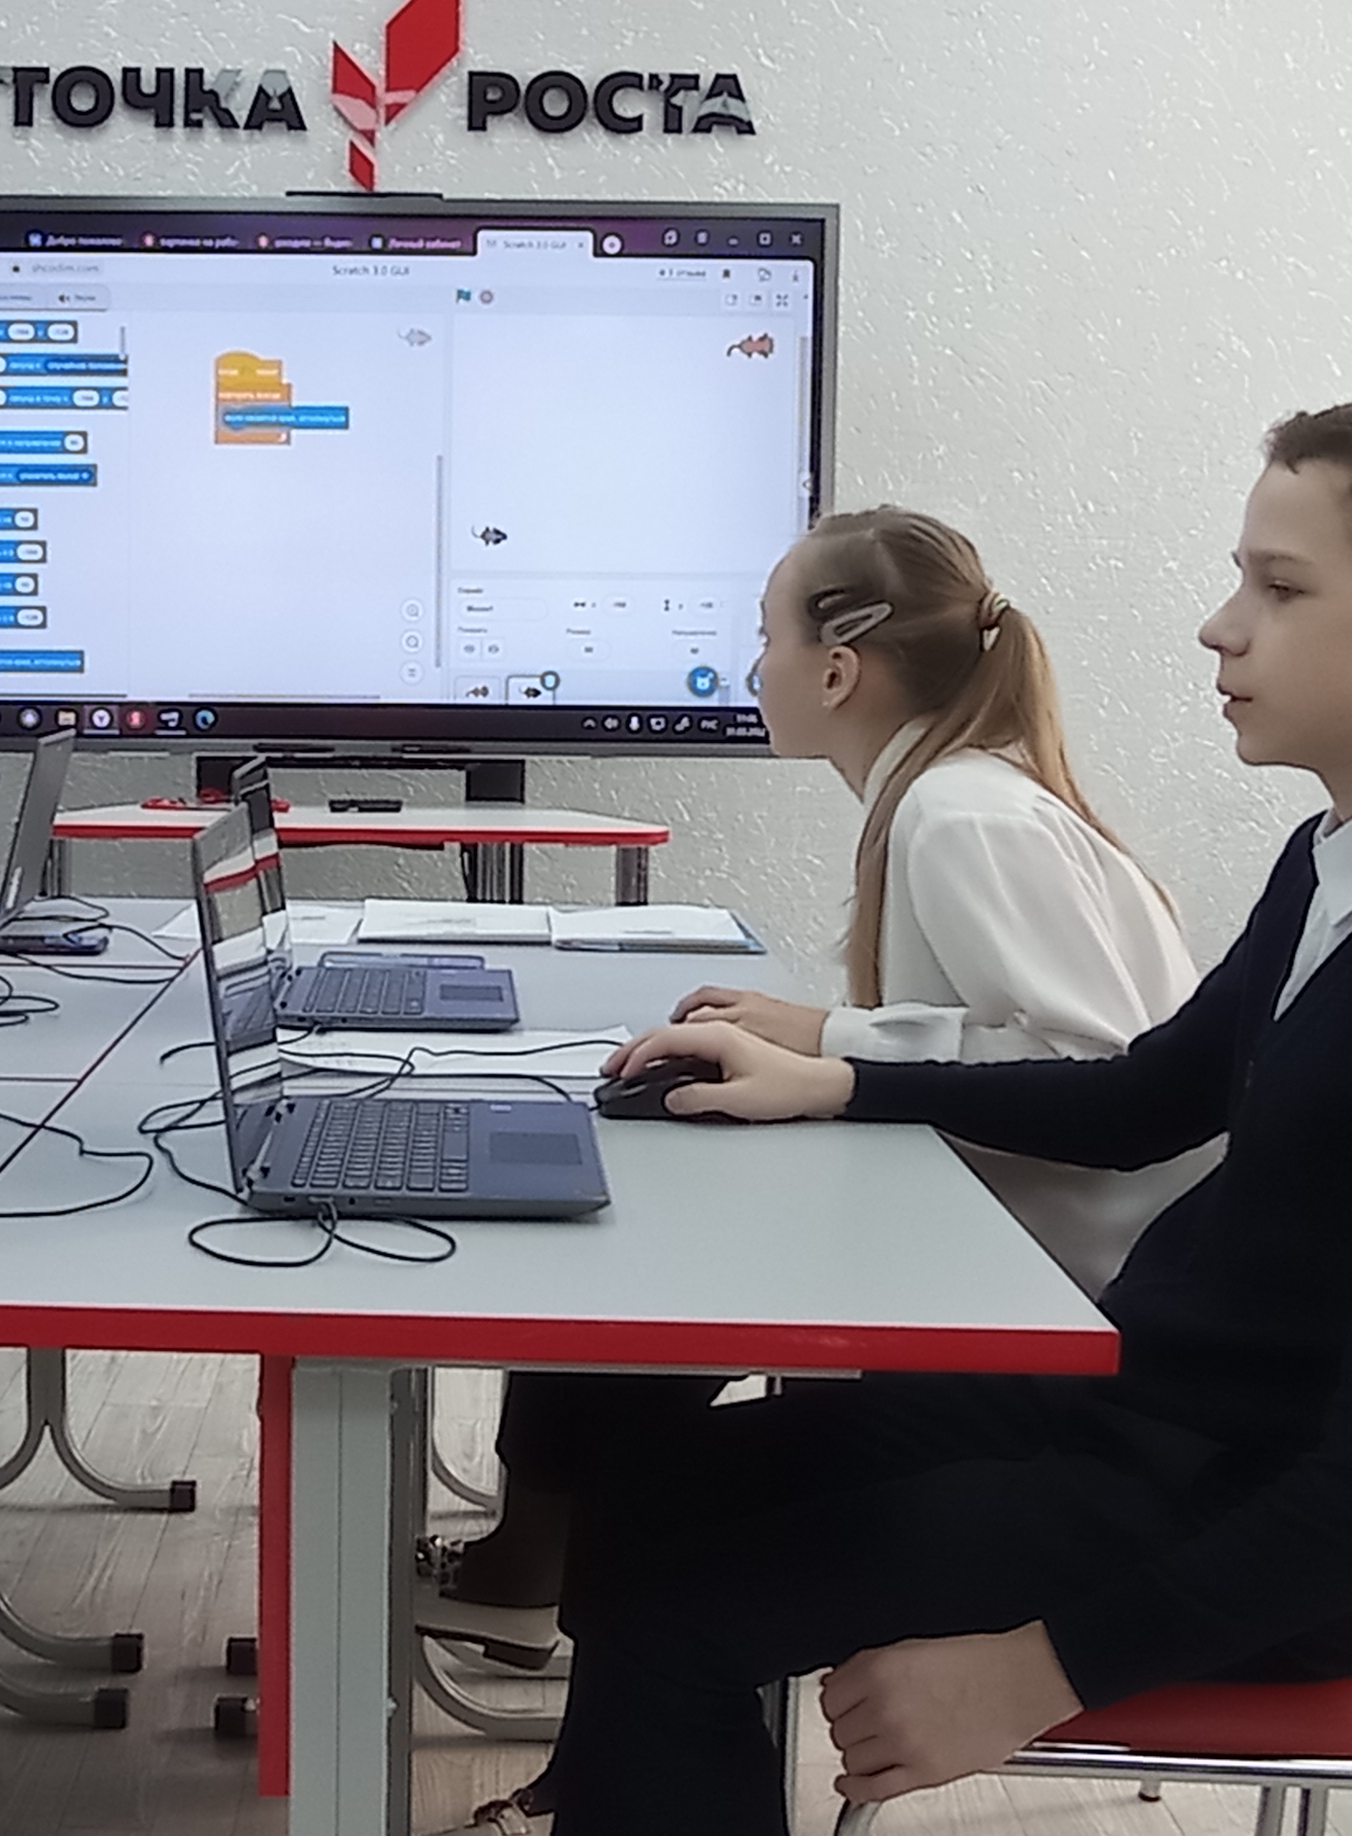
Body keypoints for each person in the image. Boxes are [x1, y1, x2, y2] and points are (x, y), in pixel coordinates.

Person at [488, 380, 1352, 1836]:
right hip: (1155, 1413)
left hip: (1271, 1523)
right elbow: (1145, 1093)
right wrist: (840, 1079)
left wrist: (1039, 1673)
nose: (1220, 626)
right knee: (640, 1487)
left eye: (1280, 587)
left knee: (680, 1603)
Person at [420, 507, 1213, 1634]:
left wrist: (838, 1055)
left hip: (1069, 1297)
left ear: (837, 670)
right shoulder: (946, 792)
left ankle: (574, 1574)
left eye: (767, 636)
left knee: (644, 1276)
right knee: (648, 1265)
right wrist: (819, 1029)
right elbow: (997, 1030)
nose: (752, 668)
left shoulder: (961, 815)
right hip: (1013, 1251)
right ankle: (556, 1566)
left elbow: (1097, 1070)